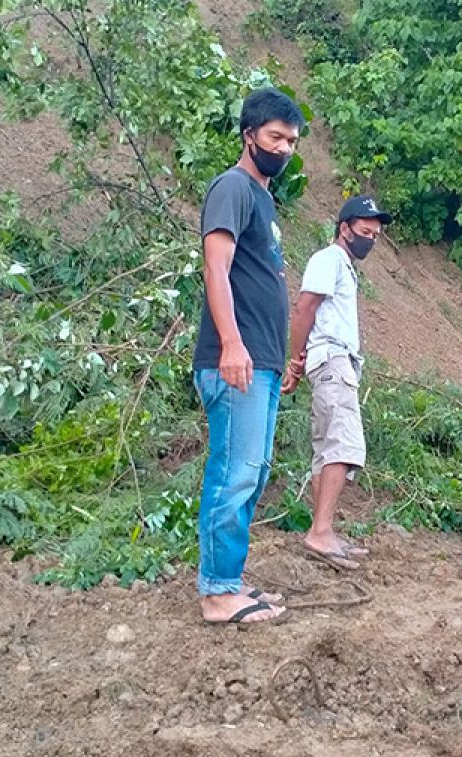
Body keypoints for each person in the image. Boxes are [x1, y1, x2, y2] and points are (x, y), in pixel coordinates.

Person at [192, 87, 304, 626]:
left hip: (261, 360)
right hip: (233, 357)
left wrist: (282, 359)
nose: (284, 149)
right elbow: (217, 268)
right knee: (234, 472)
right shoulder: (232, 187)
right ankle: (217, 594)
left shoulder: (264, 198)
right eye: (275, 137)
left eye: (292, 141)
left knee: (253, 473)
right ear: (249, 135)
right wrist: (233, 343)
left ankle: (229, 580)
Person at [281, 195, 392, 570]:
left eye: (375, 234)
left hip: (332, 362)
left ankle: (321, 530)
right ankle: (321, 532)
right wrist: (295, 362)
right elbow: (304, 308)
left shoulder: (343, 264)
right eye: (364, 232)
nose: (371, 240)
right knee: (344, 446)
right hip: (331, 360)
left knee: (327, 448)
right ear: (343, 229)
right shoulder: (328, 259)